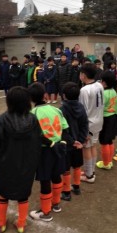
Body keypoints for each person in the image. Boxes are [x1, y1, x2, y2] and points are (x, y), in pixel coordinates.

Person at [0, 87, 41, 233]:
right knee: (23, 195)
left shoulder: (1, 121)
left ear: (9, 101)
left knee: (3, 194)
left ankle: (1, 223)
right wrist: (35, 165)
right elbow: (37, 144)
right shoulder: (33, 119)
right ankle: (21, 224)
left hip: (5, 165)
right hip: (26, 165)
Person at [29, 83, 69, 222]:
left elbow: (35, 136)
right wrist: (62, 143)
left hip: (44, 151)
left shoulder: (32, 114)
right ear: (45, 95)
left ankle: (46, 212)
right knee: (56, 175)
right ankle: (56, 204)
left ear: (31, 99)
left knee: (45, 180)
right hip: (58, 149)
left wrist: (50, 143)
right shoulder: (56, 110)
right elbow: (65, 129)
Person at [60, 82, 88, 201]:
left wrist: (72, 142)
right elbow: (85, 125)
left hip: (67, 144)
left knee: (66, 168)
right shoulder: (81, 107)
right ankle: (76, 187)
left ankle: (66, 192)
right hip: (78, 144)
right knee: (77, 165)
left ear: (64, 95)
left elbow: (63, 130)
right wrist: (80, 140)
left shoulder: (62, 110)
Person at [79, 63, 104, 183]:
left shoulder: (84, 90)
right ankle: (91, 171)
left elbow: (83, 111)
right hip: (98, 121)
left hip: (89, 123)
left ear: (83, 75)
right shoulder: (99, 85)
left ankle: (89, 176)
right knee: (93, 146)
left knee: (86, 148)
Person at [96, 71, 117, 169]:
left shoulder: (103, 93)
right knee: (109, 140)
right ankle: (109, 161)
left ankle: (105, 163)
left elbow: (99, 107)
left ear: (104, 82)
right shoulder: (113, 91)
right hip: (112, 116)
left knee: (104, 141)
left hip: (105, 118)